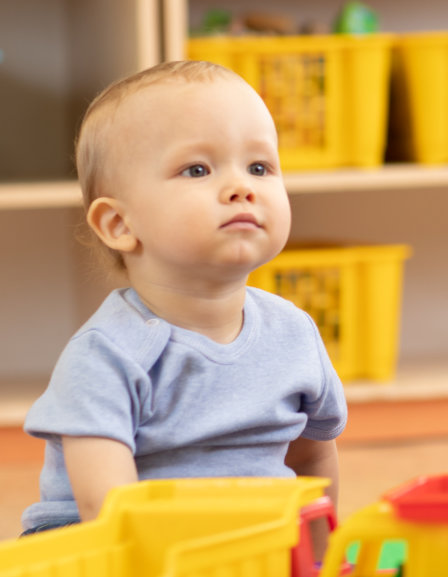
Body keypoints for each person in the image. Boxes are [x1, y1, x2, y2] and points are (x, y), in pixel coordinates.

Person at [20, 60, 347, 538]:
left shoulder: (292, 332)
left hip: (242, 547)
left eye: (259, 166)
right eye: (197, 169)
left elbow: (311, 455)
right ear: (119, 225)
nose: (242, 188)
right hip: (111, 556)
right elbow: (106, 509)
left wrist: (318, 560)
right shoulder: (107, 356)